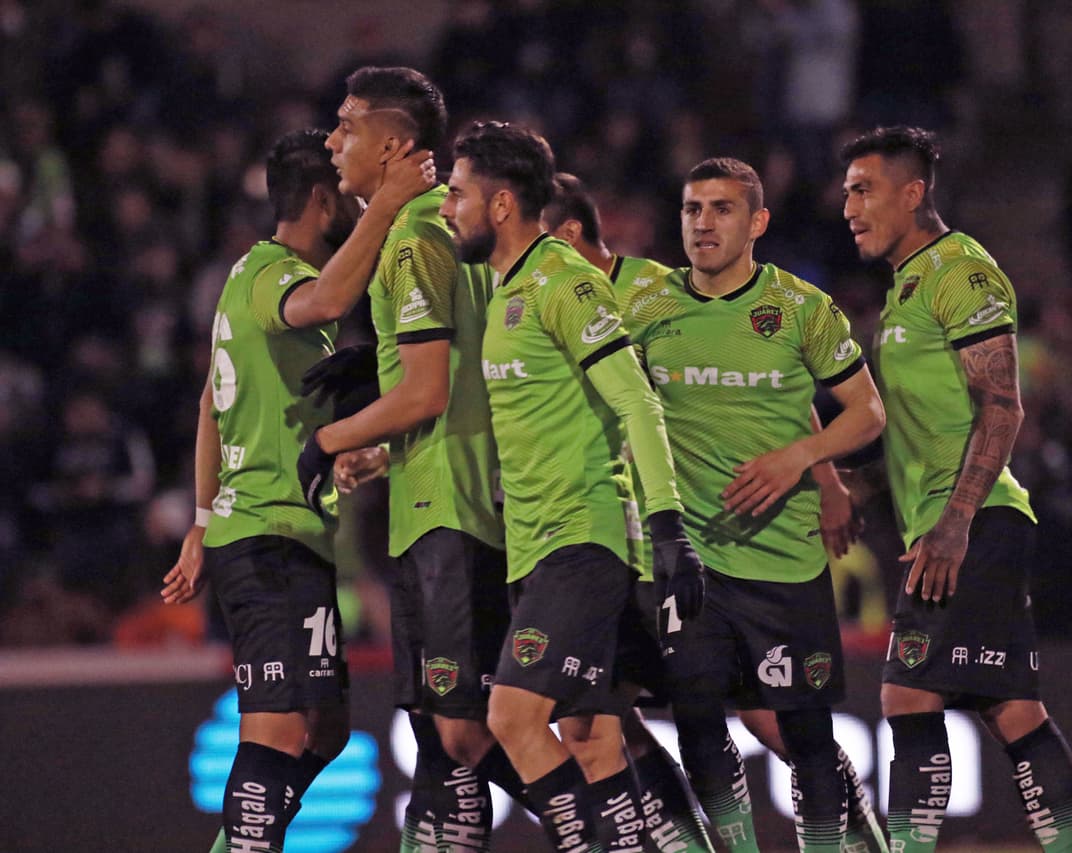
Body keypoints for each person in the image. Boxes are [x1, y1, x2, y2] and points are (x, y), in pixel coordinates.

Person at [543, 171, 886, 853]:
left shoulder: (801, 307)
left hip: (784, 559)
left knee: (803, 733)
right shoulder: (643, 300)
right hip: (690, 560)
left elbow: (866, 412)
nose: (703, 222)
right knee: (699, 725)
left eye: (722, 209)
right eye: (692, 208)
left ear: (756, 222)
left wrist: (808, 465)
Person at [442, 120, 708, 853]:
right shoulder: (505, 288)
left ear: (501, 204)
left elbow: (635, 400)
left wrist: (667, 525)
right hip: (533, 546)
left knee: (511, 717)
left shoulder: (564, 281)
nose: (448, 208)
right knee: (591, 738)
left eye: (458, 194)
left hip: (581, 540)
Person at [291, 66, 530, 852]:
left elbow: (429, 391)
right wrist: (383, 449)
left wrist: (331, 438)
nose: (333, 140)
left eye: (348, 123)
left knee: (464, 733)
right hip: (438, 498)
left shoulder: (416, 236)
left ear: (394, 145)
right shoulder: (443, 226)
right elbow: (467, 379)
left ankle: (614, 823)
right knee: (437, 735)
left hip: (454, 510)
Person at [840, 125, 1072, 852]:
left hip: (972, 524)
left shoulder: (962, 271)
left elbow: (1002, 405)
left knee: (908, 695)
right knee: (1014, 712)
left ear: (912, 194)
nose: (849, 208)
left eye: (865, 191)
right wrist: (855, 484)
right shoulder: (907, 286)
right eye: (847, 192)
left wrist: (955, 523)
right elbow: (927, 433)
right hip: (956, 522)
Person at [159, 128, 365, 853]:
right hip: (267, 537)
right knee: (276, 729)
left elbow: (211, 403)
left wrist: (199, 518)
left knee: (328, 727)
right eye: (349, 198)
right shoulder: (277, 275)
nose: (358, 205)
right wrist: (391, 204)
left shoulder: (243, 275)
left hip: (282, 534)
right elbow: (328, 299)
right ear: (322, 201)